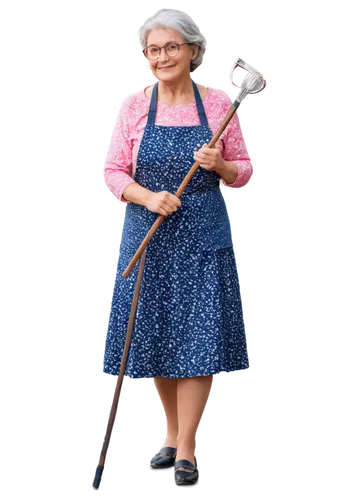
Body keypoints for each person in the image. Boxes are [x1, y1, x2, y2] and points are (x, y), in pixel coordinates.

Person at [100, 6, 253, 488]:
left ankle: (187, 447)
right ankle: (170, 435)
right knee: (159, 338)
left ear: (193, 51)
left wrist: (220, 166)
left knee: (199, 342)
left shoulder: (220, 104)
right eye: (153, 50)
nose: (161, 56)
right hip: (147, 240)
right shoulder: (133, 107)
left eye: (171, 47)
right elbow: (112, 173)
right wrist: (147, 196)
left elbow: (244, 172)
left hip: (204, 242)